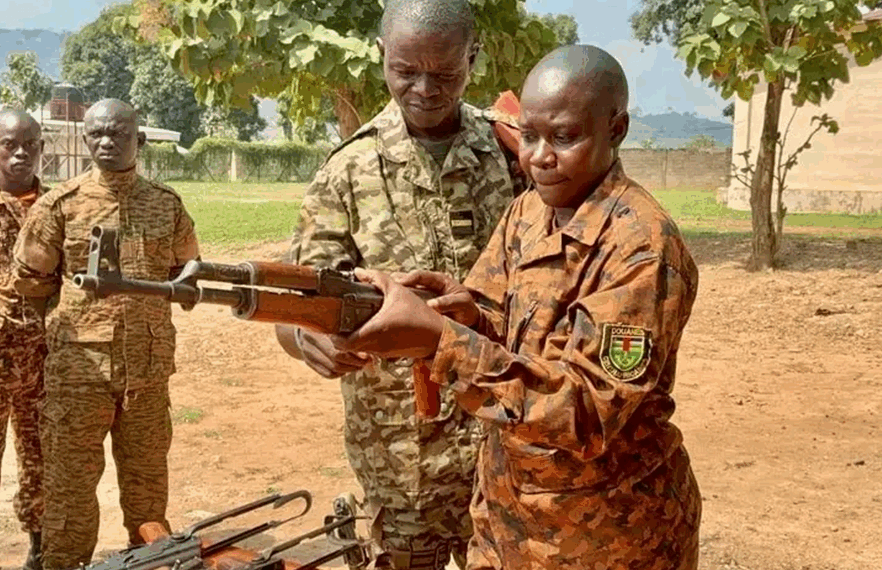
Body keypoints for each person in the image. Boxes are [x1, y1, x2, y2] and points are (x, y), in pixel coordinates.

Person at [330, 45, 703, 569]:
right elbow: (497, 318)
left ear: (616, 129)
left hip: (609, 541)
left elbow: (586, 414)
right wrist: (457, 312)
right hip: (509, 527)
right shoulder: (529, 209)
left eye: (565, 137)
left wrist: (441, 340)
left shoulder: (641, 246)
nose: (539, 157)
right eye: (528, 136)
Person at [274, 0, 518, 567]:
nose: (425, 88)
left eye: (446, 72)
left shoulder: (513, 154)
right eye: (406, 71)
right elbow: (297, 303)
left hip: (505, 439)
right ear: (383, 56)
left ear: (473, 59)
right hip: (402, 459)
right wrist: (303, 338)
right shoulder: (348, 170)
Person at [12, 98, 201, 570]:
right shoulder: (61, 205)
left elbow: (185, 272)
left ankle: (151, 564)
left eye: (116, 133)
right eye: (95, 133)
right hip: (78, 377)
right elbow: (31, 283)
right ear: (84, 138)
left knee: (147, 491)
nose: (105, 141)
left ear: (137, 140)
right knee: (70, 494)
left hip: (147, 377)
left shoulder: (166, 205)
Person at [0, 108, 48, 570]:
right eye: (9, 144)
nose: (20, 154)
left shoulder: (55, 208)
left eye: (29, 145)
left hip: (43, 357)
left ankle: (39, 547)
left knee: (41, 456)